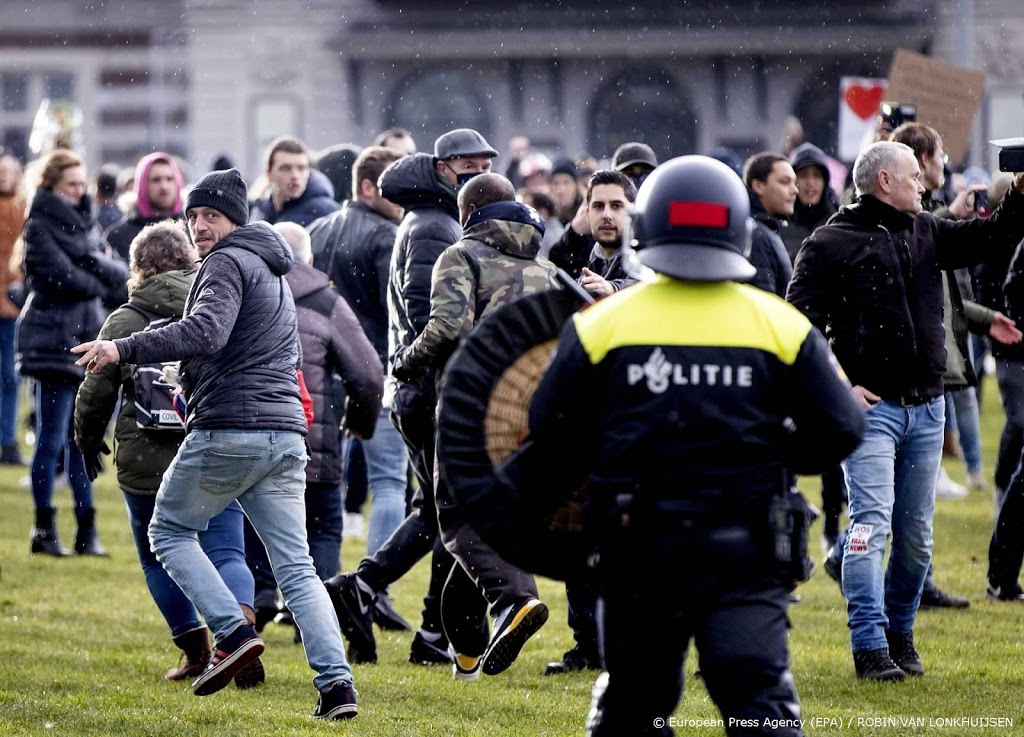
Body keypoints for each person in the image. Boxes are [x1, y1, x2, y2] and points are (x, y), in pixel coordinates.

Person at [522, 155, 864, 736]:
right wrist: (780, 451)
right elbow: (843, 429)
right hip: (748, 546)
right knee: (758, 704)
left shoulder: (601, 323)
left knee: (635, 703)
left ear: (645, 229)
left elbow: (548, 425)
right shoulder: (779, 325)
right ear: (737, 230)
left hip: (637, 548)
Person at [72, 168, 358, 719]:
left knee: (168, 531)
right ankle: (337, 687)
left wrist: (121, 348)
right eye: (194, 216)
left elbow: (206, 332)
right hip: (283, 435)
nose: (200, 227)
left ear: (235, 219)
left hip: (231, 429)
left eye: (212, 216)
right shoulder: (274, 269)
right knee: (296, 568)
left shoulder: (226, 262)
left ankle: (231, 631)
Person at [787, 141, 1024, 681]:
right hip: (870, 413)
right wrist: (841, 385)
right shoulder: (828, 243)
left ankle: (900, 633)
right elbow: (796, 327)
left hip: (928, 408)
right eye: (915, 176)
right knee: (873, 527)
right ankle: (869, 647)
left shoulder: (927, 231)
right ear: (885, 182)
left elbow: (993, 236)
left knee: (915, 538)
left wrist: (1022, 192)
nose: (926, 185)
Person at [324, 128, 498, 666]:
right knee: (449, 511)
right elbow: (432, 321)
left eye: (484, 167)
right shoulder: (434, 227)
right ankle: (418, 621)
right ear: (444, 169)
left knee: (437, 508)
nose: (478, 177)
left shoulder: (432, 220)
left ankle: (402, 613)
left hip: (420, 388)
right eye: (469, 167)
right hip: (427, 391)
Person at [73, 221, 263, 685]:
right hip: (212, 445)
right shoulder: (220, 307)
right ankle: (241, 631)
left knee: (156, 556)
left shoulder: (124, 320)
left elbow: (95, 392)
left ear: (139, 269)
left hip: (146, 462)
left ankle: (198, 651)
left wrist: (86, 441)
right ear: (189, 262)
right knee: (225, 550)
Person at [392, 172, 559, 680]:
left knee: (459, 519)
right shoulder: (546, 269)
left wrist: (405, 360)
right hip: (530, 412)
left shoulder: (460, 256)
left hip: (470, 407)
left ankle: (515, 601)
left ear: (468, 215)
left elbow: (448, 326)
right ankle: (467, 650)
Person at [19, 148, 128, 557]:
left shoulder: (87, 224)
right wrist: (94, 268)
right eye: (71, 184)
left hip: (86, 338)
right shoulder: (39, 225)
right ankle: (44, 528)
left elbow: (119, 273)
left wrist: (92, 267)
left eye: (83, 183)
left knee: (82, 441)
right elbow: (63, 277)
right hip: (51, 342)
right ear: (52, 185)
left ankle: (87, 529)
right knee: (51, 438)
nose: (79, 190)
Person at [548, 170, 638, 296]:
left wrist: (614, 289)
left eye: (616, 206)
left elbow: (651, 285)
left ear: (632, 212)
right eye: (599, 206)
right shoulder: (591, 255)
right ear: (587, 214)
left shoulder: (646, 254)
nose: (607, 215)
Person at [103, 152, 185, 262]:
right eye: (156, 180)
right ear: (142, 185)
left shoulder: (192, 231)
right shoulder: (118, 236)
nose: (164, 186)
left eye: (169, 179)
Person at [248, 136, 340, 227]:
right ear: (269, 174)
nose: (295, 175)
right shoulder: (258, 210)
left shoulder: (327, 214)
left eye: (301, 168)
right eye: (286, 168)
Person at [0, 150, 26, 466]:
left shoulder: (22, 207)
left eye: (8, 171)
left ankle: (7, 441)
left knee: (9, 376)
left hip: (10, 305)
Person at [742, 153, 796, 297]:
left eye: (794, 182)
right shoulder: (756, 235)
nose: (794, 190)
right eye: (785, 182)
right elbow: (764, 302)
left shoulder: (765, 230)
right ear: (758, 186)